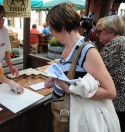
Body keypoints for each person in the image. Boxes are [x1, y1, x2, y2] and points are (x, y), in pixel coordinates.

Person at [44, 3, 120, 131]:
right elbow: (72, 73)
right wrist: (55, 78)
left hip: (76, 117)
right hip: (64, 111)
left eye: (52, 29)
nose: (51, 33)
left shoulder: (87, 51)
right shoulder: (68, 46)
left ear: (61, 27)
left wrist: (70, 89)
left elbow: (110, 92)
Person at [96, 15, 125, 132]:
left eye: (100, 31)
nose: (98, 35)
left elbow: (96, 67)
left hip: (118, 101)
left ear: (111, 31)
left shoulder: (116, 44)